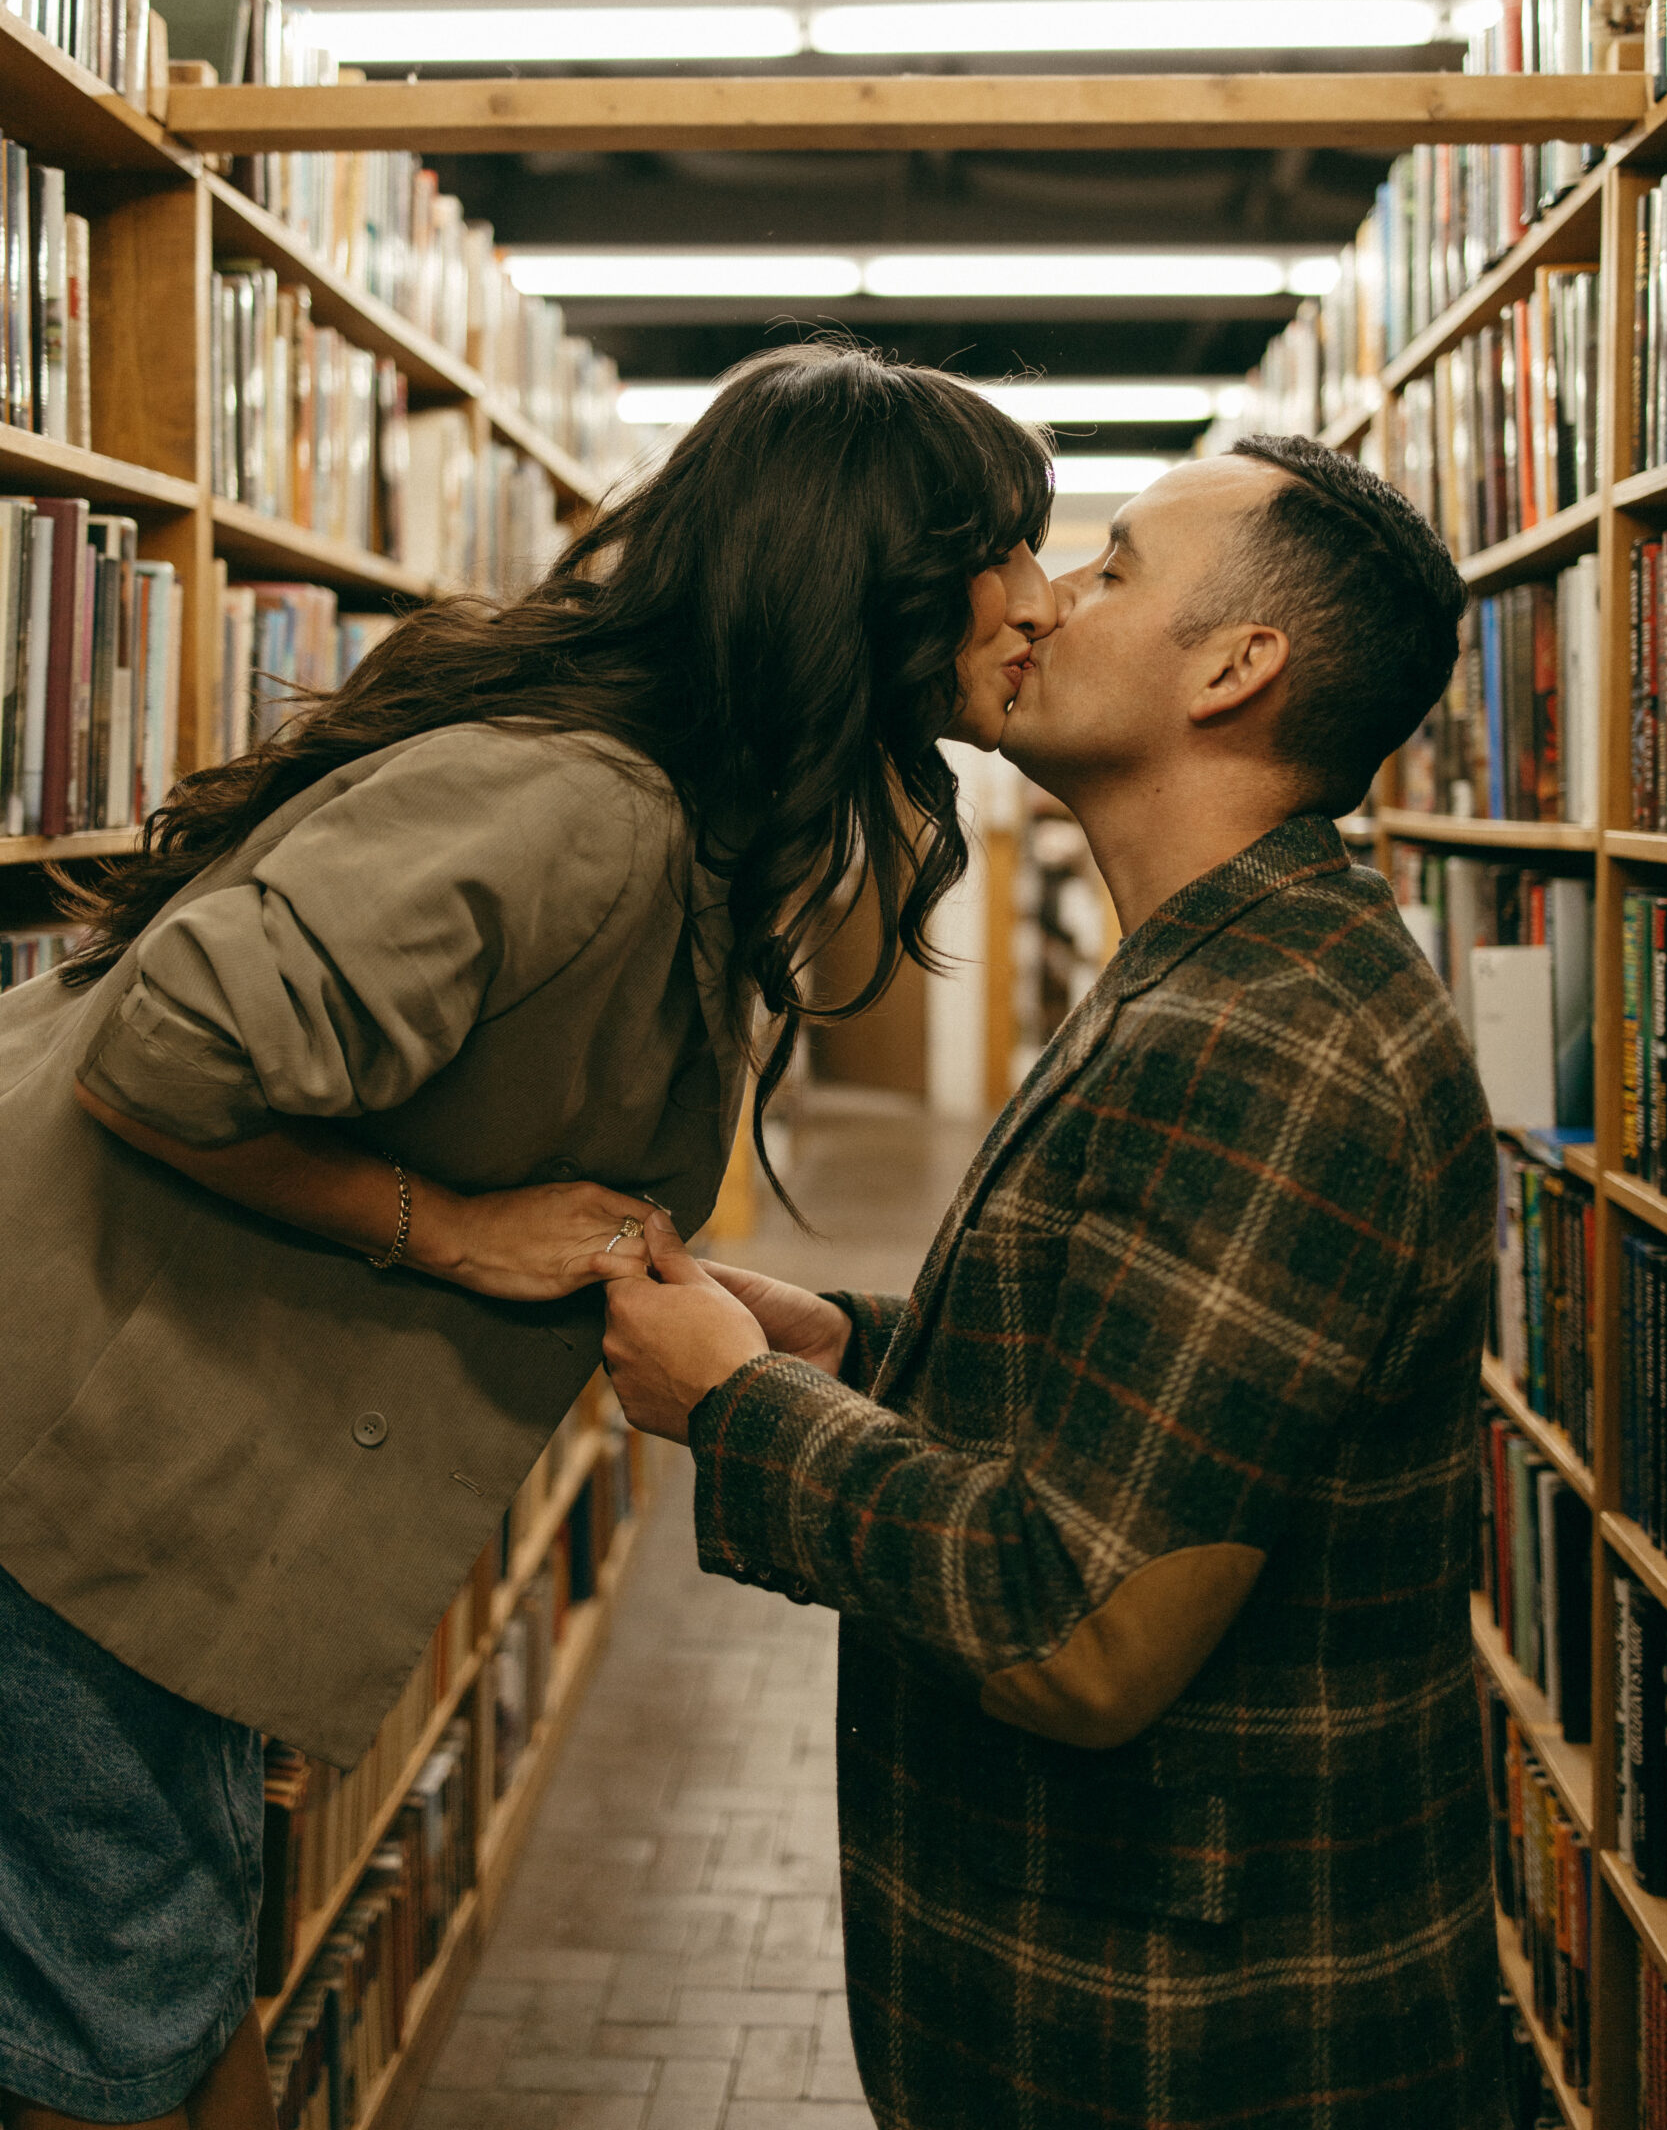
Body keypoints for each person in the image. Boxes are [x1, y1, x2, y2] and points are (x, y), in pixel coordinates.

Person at [0, 344, 1057, 2130]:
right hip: (60, 1450)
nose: (1035, 602)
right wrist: (453, 1228)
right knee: (121, 2029)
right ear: (862, 581)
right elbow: (170, 1047)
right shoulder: (587, 799)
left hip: (110, 1447)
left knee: (148, 2000)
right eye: (1002, 554)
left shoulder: (680, 804)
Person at [601, 435, 1504, 2130]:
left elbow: (1084, 1628)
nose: (1031, 603)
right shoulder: (1218, 966)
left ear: (1237, 670)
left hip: (1190, 2050)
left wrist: (744, 1409)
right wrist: (858, 1346)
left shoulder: (1266, 1042)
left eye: (1109, 571)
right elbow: (1126, 1392)